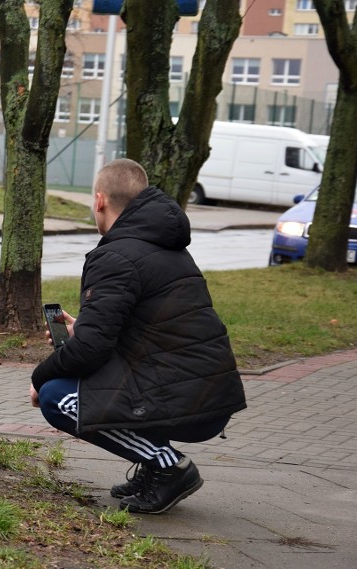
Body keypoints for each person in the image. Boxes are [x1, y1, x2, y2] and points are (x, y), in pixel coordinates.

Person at [30, 158, 247, 514]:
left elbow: (89, 352)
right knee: (92, 380)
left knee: (58, 396)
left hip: (186, 401)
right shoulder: (166, 246)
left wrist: (40, 378)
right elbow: (146, 331)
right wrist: (83, 326)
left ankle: (169, 467)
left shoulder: (115, 255)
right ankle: (152, 466)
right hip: (206, 395)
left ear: (100, 200)